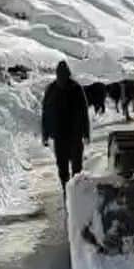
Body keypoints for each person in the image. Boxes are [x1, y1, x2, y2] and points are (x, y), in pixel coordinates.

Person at [42, 61, 91, 192]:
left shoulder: (74, 88)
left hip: (72, 135)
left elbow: (83, 112)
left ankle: (74, 194)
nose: (62, 78)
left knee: (75, 169)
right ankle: (68, 194)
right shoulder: (53, 89)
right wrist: (45, 134)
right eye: (60, 75)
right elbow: (46, 113)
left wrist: (86, 133)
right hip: (63, 136)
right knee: (65, 168)